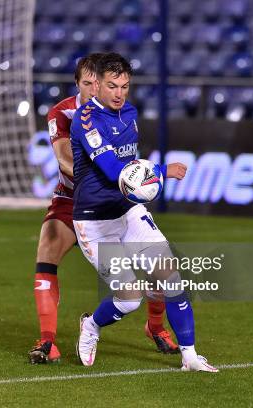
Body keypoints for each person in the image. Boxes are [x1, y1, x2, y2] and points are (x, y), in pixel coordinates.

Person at [70, 52, 218, 372]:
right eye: (112, 86)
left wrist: (147, 182)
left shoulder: (130, 113)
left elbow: (132, 168)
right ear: (96, 85)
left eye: (124, 86)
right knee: (129, 299)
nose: (119, 93)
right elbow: (113, 170)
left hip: (129, 212)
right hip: (95, 222)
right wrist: (162, 171)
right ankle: (92, 326)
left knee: (171, 277)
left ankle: (190, 356)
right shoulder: (85, 120)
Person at [29, 53, 178, 364]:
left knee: (159, 266)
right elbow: (65, 161)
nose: (92, 88)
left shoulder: (117, 111)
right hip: (72, 199)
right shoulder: (63, 113)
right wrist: (104, 169)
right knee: (46, 253)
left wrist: (130, 177)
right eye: (86, 83)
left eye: (97, 83)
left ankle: (156, 327)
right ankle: (46, 341)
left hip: (116, 200)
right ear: (79, 84)